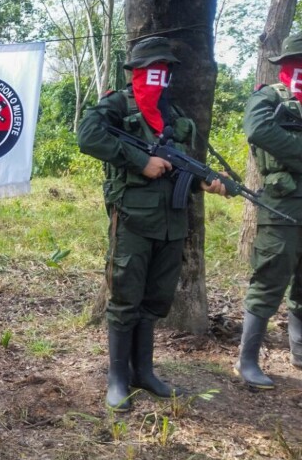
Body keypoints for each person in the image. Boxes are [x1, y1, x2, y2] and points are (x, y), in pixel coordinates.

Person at [77, 36, 226, 412]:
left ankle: (143, 371)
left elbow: (181, 169)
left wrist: (206, 181)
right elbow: (88, 136)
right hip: (131, 219)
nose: (158, 77)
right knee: (125, 296)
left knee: (157, 298)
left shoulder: (173, 115)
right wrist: (139, 161)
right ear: (135, 72)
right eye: (151, 70)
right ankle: (117, 378)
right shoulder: (116, 104)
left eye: (165, 70)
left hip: (172, 224)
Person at [235, 32, 302, 390]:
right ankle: (247, 361)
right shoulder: (267, 96)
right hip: (281, 206)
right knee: (269, 280)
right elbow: (258, 129)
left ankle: (299, 355)